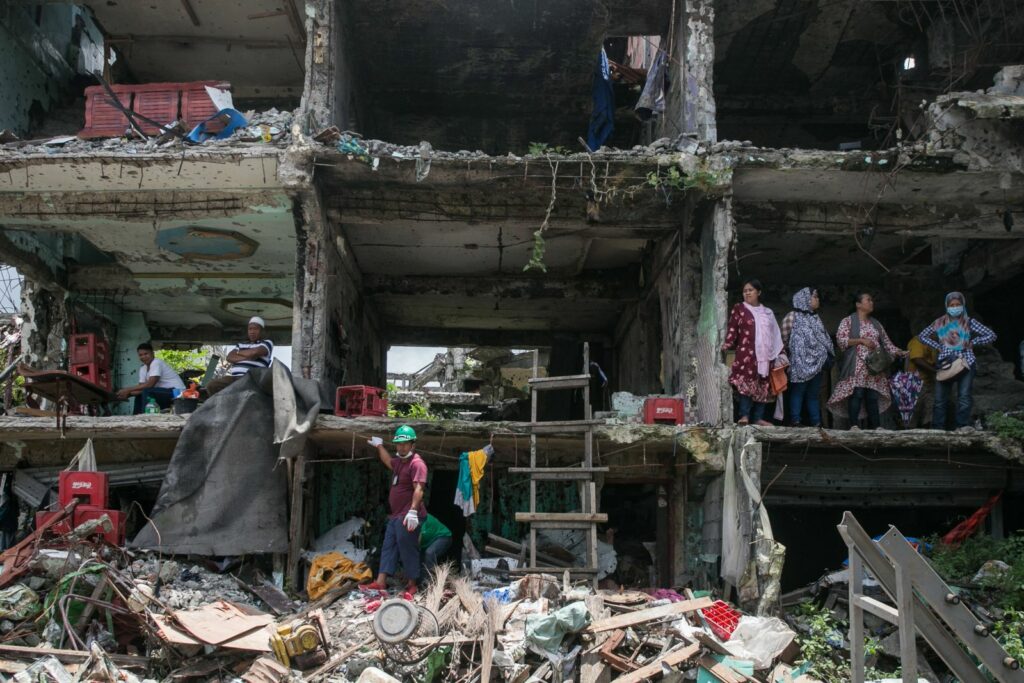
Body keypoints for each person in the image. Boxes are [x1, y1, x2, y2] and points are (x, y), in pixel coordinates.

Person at [917, 292, 997, 432]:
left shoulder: (969, 321)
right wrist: (939, 346)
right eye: (951, 305)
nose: (955, 307)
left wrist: (973, 342)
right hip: (946, 364)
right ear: (946, 306)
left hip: (966, 362)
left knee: (964, 397)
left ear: (962, 305)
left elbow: (991, 335)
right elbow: (922, 336)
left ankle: (962, 427)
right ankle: (938, 430)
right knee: (940, 400)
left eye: (958, 304)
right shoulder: (939, 322)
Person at [362, 425, 427, 597]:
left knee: (408, 548)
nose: (401, 447)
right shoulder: (400, 463)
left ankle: (413, 585)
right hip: (397, 515)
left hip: (409, 515)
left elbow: (419, 489)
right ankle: (381, 582)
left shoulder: (417, 464)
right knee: (388, 546)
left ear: (413, 445)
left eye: (405, 444)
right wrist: (379, 446)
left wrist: (413, 511)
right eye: (399, 444)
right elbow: (387, 461)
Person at [827, 292, 907, 429]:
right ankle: (854, 426)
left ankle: (876, 427)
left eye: (872, 300)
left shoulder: (876, 323)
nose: (871, 302)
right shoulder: (848, 321)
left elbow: (887, 343)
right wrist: (861, 340)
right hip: (857, 365)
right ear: (858, 304)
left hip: (874, 367)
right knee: (857, 394)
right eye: (868, 300)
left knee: (872, 396)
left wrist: (898, 351)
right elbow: (841, 341)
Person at [722, 278, 785, 425]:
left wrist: (780, 352)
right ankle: (744, 415)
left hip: (765, 356)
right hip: (747, 354)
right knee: (745, 383)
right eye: (745, 291)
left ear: (759, 292)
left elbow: (775, 334)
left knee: (762, 385)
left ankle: (757, 418)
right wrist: (727, 344)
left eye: (750, 290)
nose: (747, 293)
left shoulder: (768, 312)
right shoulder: (739, 308)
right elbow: (732, 328)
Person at [781, 287, 834, 427]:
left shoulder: (816, 318)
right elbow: (784, 339)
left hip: (816, 364)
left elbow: (823, 338)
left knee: (813, 394)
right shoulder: (792, 316)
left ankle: (816, 422)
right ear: (805, 298)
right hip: (799, 363)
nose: (817, 299)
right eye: (814, 296)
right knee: (798, 392)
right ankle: (795, 420)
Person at [204, 316, 273, 396]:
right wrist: (248, 356)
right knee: (212, 385)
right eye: (250, 329)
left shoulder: (267, 343)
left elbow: (255, 352)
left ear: (262, 331)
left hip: (251, 379)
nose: (252, 332)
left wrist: (239, 353)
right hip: (234, 378)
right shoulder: (241, 345)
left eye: (255, 329)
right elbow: (229, 357)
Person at [116, 342, 185, 414]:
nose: (143, 357)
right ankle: (137, 418)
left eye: (146, 354)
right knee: (141, 394)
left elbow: (150, 385)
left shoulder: (156, 362)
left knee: (147, 391)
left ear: (153, 353)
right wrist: (126, 394)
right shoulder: (143, 368)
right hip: (164, 392)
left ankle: (145, 417)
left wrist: (127, 390)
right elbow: (140, 389)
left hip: (177, 393)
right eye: (140, 355)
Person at [905, 332, 938, 428]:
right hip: (915, 381)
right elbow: (917, 359)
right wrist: (936, 371)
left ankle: (928, 434)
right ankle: (909, 435)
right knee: (914, 410)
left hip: (929, 382)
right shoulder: (918, 340)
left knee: (930, 409)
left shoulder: (934, 344)